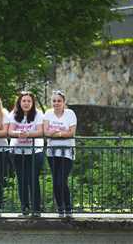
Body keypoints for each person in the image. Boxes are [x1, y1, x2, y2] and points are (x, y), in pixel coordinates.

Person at [8, 91, 44, 217]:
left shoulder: (39, 114)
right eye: (24, 101)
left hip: (35, 152)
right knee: (21, 180)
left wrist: (28, 134)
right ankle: (24, 208)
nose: (26, 103)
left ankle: (36, 209)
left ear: (32, 103)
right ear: (19, 102)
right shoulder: (13, 114)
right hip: (17, 151)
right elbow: (10, 131)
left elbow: (40, 132)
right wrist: (19, 134)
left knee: (33, 179)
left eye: (29, 101)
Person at [44, 90, 77, 218]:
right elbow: (46, 133)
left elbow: (71, 133)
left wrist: (55, 133)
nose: (56, 103)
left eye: (59, 101)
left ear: (64, 102)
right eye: (54, 101)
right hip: (52, 152)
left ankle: (68, 207)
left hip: (67, 152)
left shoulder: (70, 114)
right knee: (55, 181)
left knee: (61, 180)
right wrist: (62, 132)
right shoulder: (48, 113)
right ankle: (60, 209)